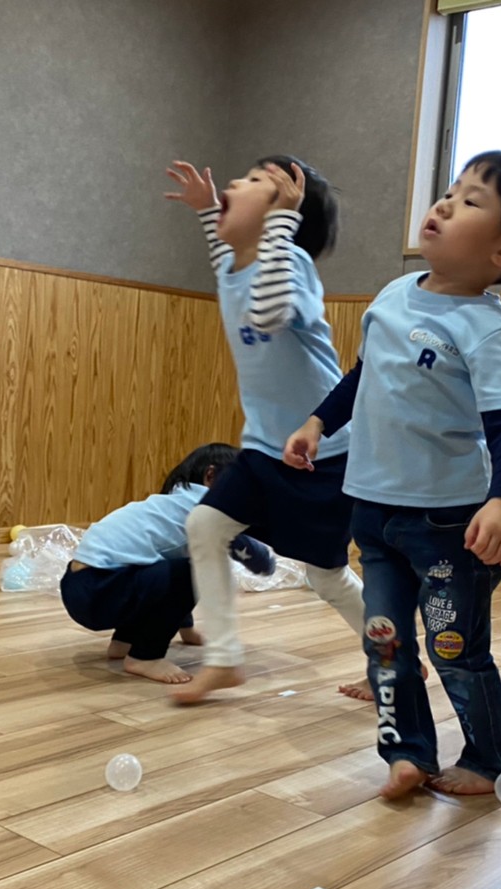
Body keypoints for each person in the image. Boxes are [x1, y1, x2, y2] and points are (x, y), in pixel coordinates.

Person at [283, 151, 501, 798]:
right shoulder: (393, 294)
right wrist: (319, 422)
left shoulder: (488, 332)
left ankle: (490, 759)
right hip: (374, 512)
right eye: (449, 191)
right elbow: (364, 376)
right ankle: (407, 752)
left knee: (454, 649)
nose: (444, 204)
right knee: (384, 640)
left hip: (446, 525)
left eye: (470, 202)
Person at [161, 155, 366, 704]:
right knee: (205, 523)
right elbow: (230, 254)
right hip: (262, 449)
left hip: (324, 454)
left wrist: (282, 222)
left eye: (255, 181)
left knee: (327, 577)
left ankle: (396, 659)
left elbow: (270, 312)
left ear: (285, 215)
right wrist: (209, 211)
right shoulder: (234, 268)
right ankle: (225, 659)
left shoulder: (291, 265)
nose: (234, 181)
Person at [60, 443, 273, 684]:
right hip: (100, 592)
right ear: (211, 475)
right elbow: (255, 557)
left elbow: (169, 572)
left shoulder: (173, 503)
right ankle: (145, 657)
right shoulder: (206, 508)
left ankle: (123, 643)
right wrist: (268, 561)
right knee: (193, 571)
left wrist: (187, 630)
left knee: (169, 567)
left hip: (80, 587)